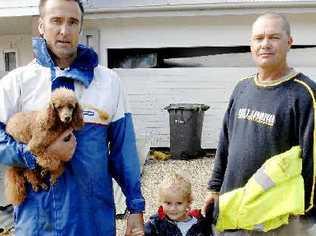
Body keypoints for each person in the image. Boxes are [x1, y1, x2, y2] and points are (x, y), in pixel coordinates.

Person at [0, 0, 145, 235]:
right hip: (37, 223)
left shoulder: (108, 82)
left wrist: (135, 208)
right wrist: (36, 154)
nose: (64, 31)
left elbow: (124, 151)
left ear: (80, 28)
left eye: (72, 22)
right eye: (56, 21)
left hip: (92, 223)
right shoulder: (16, 83)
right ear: (41, 25)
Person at [204, 13, 316, 236]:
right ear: (251, 44)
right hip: (233, 208)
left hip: (276, 220)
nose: (265, 44)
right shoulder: (242, 88)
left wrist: (307, 214)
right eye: (258, 38)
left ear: (289, 42)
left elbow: (313, 161)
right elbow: (225, 143)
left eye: (274, 37)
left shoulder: (304, 94)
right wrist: (214, 188)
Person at [144, 173, 212, 236]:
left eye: (179, 203)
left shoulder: (199, 224)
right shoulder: (156, 224)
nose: (173, 208)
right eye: (168, 203)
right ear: (161, 202)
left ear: (189, 202)